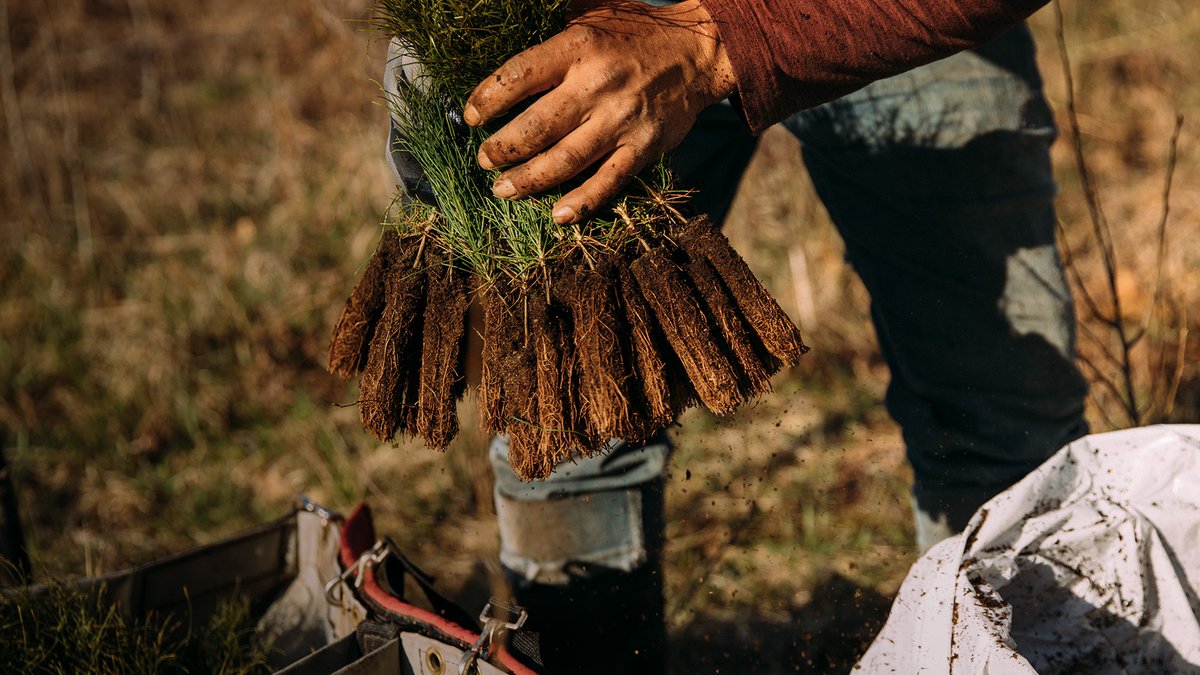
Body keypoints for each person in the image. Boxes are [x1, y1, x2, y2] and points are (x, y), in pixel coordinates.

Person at [385, 0, 1089, 670]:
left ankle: (1011, 648)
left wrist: (709, 41)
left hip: (902, 30)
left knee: (1001, 424)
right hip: (606, 28)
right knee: (571, 417)